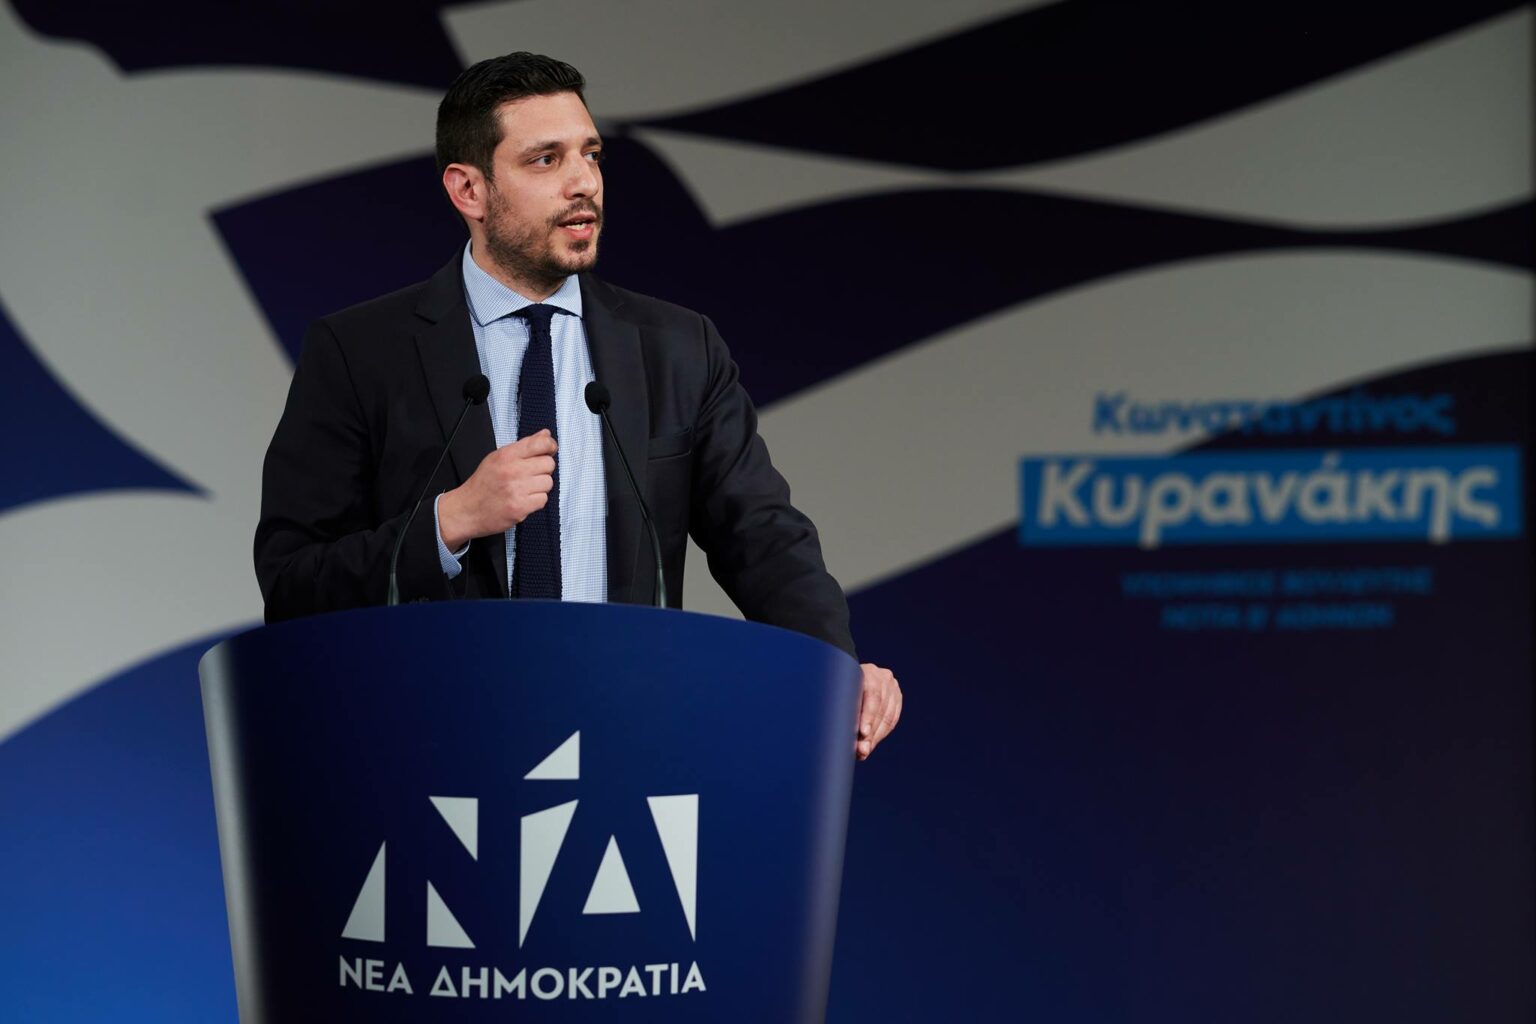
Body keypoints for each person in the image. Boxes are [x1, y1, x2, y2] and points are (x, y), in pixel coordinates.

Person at [254, 52, 900, 760]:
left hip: (626, 749)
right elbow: (293, 583)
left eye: (591, 155)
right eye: (545, 159)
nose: (584, 182)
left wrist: (832, 668)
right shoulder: (361, 351)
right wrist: (450, 521)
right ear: (469, 189)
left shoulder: (677, 347)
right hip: (434, 752)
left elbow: (763, 537)